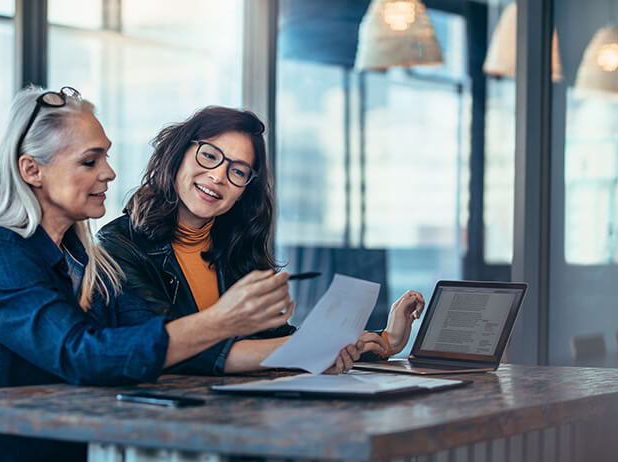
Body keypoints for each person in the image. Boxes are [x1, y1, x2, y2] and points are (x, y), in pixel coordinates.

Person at [0, 87, 370, 462]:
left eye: (106, 158)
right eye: (89, 161)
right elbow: (83, 355)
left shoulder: (83, 259)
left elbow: (161, 343)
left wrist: (315, 350)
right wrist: (223, 320)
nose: (109, 172)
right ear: (32, 170)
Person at [98, 106, 425, 375]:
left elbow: (274, 341)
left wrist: (384, 341)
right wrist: (311, 350)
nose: (218, 176)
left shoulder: (235, 247)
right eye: (209, 155)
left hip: (237, 413)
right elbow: (172, 349)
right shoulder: (117, 246)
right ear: (178, 154)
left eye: (238, 171)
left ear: (244, 191)